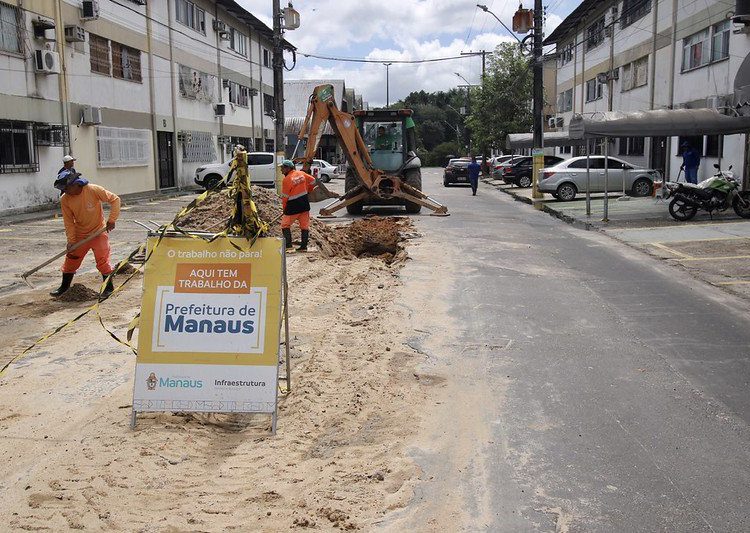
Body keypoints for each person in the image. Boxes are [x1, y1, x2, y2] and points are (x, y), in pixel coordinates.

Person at [50, 172, 120, 298]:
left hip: (98, 231)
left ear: (76, 183)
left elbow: (115, 200)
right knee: (71, 259)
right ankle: (64, 287)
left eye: (66, 188)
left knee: (102, 260)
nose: (65, 191)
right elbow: (69, 221)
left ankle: (108, 288)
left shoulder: (93, 190)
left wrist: (112, 220)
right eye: (63, 189)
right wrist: (71, 240)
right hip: (80, 234)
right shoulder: (65, 199)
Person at [279, 159, 316, 252]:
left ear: (288, 168)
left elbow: (285, 197)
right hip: (304, 204)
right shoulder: (301, 174)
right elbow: (313, 181)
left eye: (282, 168)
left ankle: (289, 246)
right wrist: (308, 190)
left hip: (293, 207)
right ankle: (304, 247)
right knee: (304, 226)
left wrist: (284, 209)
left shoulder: (286, 180)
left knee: (285, 225)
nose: (281, 170)